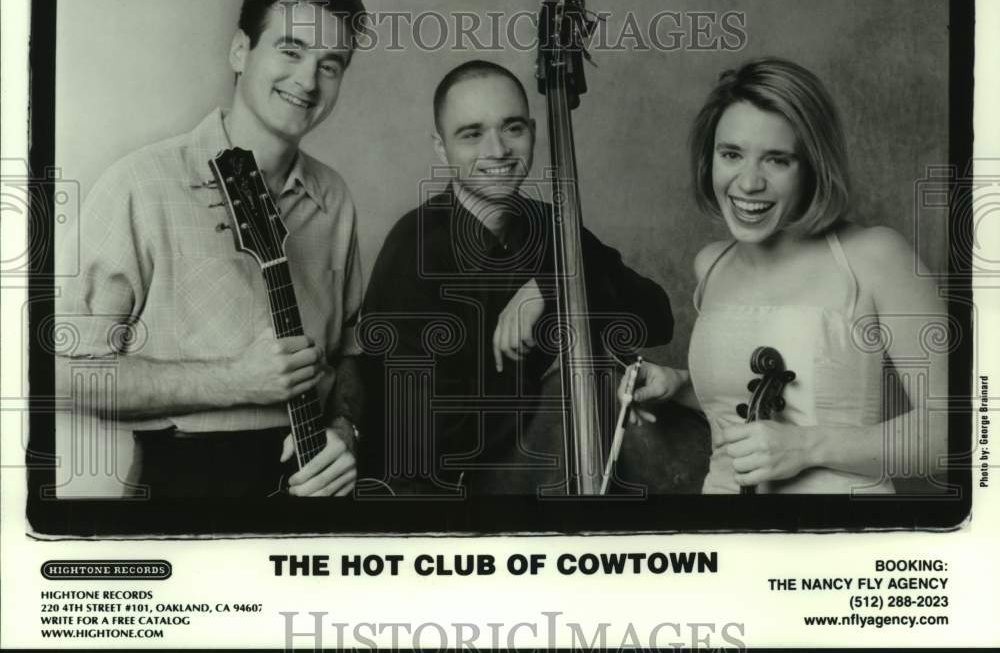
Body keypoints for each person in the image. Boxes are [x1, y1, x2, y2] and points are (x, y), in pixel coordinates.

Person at [55, 0, 367, 498]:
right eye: (290, 51)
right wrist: (233, 379)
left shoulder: (333, 197)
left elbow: (352, 355)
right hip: (185, 487)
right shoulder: (142, 184)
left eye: (331, 64)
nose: (308, 81)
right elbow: (57, 373)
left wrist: (345, 429)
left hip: (310, 486)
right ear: (241, 52)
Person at [620, 57, 947, 494]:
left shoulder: (874, 257)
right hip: (727, 534)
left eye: (777, 160)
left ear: (812, 165)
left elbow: (960, 431)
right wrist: (680, 386)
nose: (749, 183)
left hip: (838, 539)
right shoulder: (712, 265)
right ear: (709, 158)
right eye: (731, 154)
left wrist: (809, 447)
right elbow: (752, 412)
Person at [360, 60, 674, 494]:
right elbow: (428, 436)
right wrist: (584, 390)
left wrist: (548, 285)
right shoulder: (411, 249)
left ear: (531, 129)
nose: (498, 150)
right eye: (472, 134)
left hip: (547, 479)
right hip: (445, 503)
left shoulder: (554, 230)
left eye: (512, 128)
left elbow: (657, 315)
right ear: (440, 147)